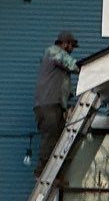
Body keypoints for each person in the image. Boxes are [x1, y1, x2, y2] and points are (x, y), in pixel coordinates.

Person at [34, 30, 79, 173]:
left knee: (58, 139)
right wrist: (85, 68)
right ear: (64, 43)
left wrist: (69, 100)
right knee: (50, 135)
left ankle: (55, 172)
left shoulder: (60, 72)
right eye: (71, 46)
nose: (72, 50)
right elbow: (70, 63)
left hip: (57, 105)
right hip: (48, 104)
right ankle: (41, 170)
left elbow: (65, 89)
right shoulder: (52, 52)